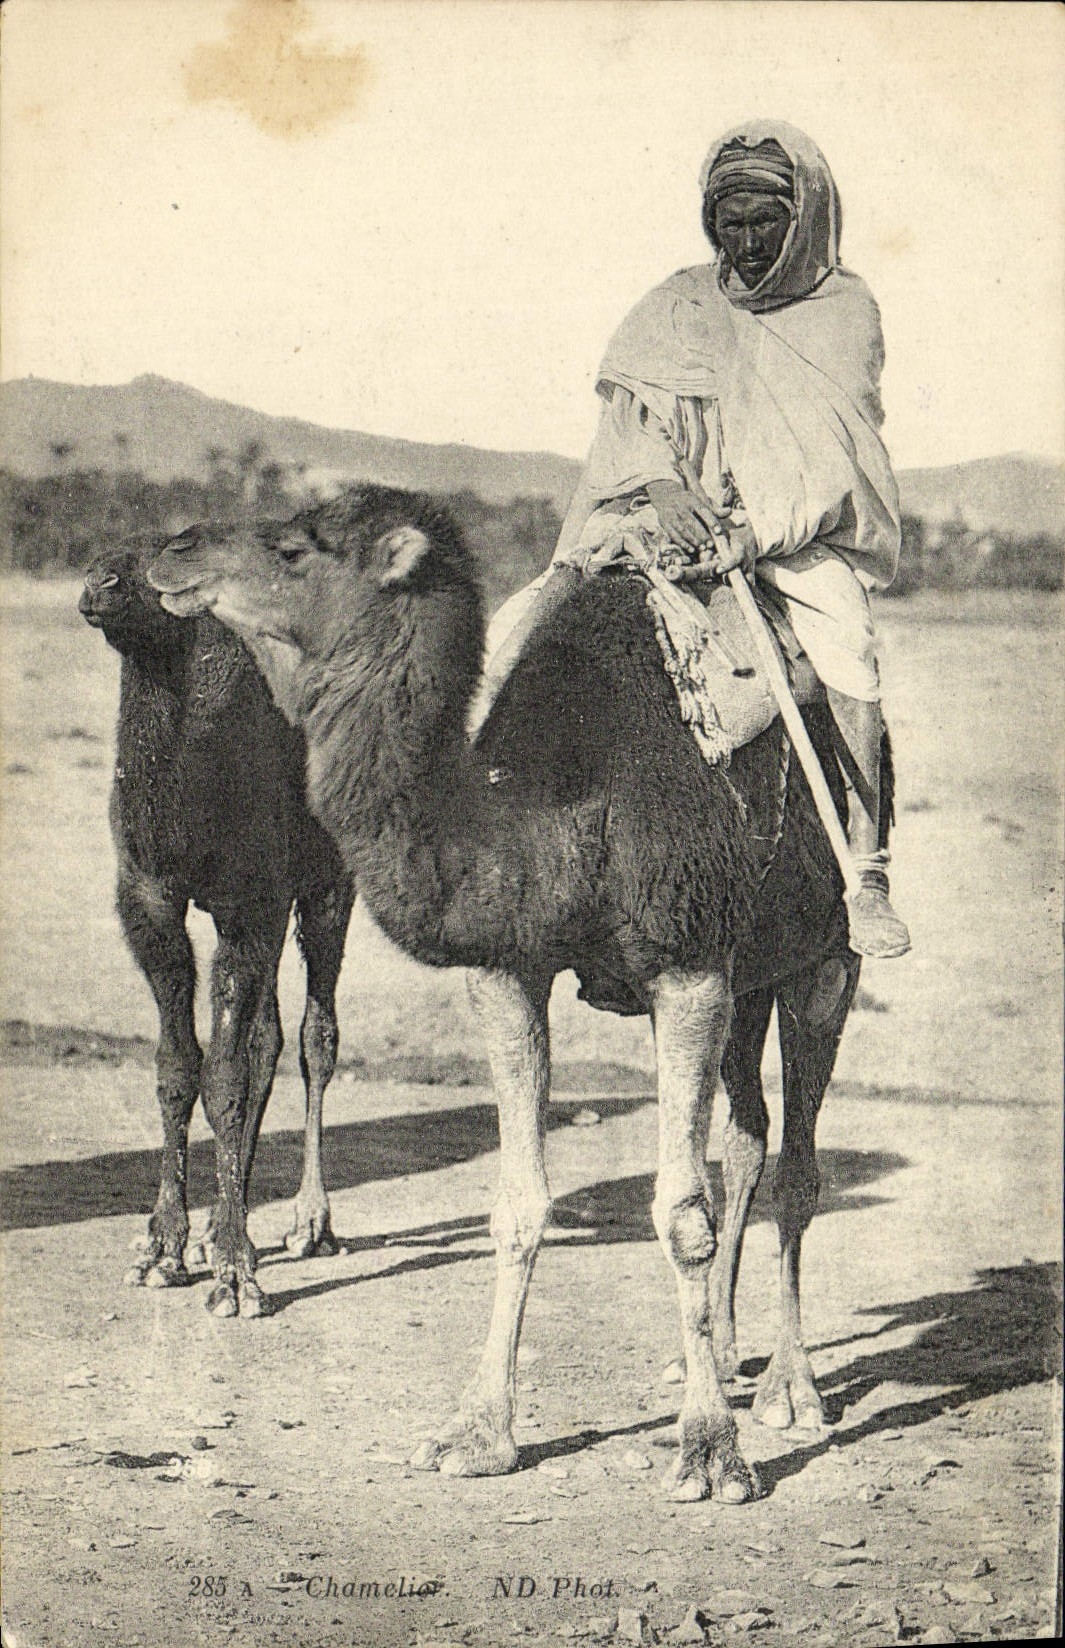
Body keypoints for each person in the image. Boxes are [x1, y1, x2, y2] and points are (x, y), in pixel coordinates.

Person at [483, 119, 910, 960]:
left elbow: (835, 466)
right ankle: (493, 808)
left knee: (848, 651)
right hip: (661, 514)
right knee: (513, 627)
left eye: (765, 223)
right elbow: (631, 426)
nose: (745, 244)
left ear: (805, 217)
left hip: (786, 536)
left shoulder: (842, 311)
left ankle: (866, 870)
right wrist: (664, 489)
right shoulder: (674, 305)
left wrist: (750, 534)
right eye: (729, 223)